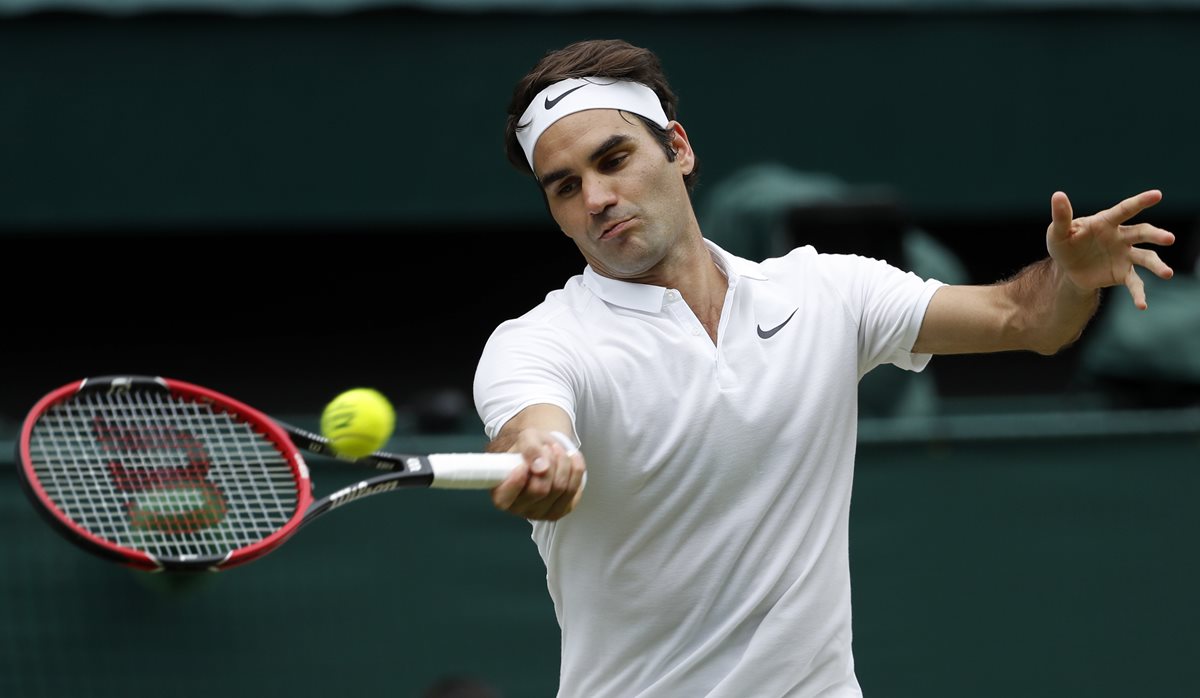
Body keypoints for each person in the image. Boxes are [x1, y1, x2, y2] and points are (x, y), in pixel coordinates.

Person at [471, 39, 1176, 697]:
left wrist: (1071, 276)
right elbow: (533, 428)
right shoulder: (537, 343)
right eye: (565, 187)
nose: (596, 198)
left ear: (678, 149)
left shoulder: (824, 291)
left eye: (614, 159)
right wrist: (544, 458)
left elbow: (1026, 319)